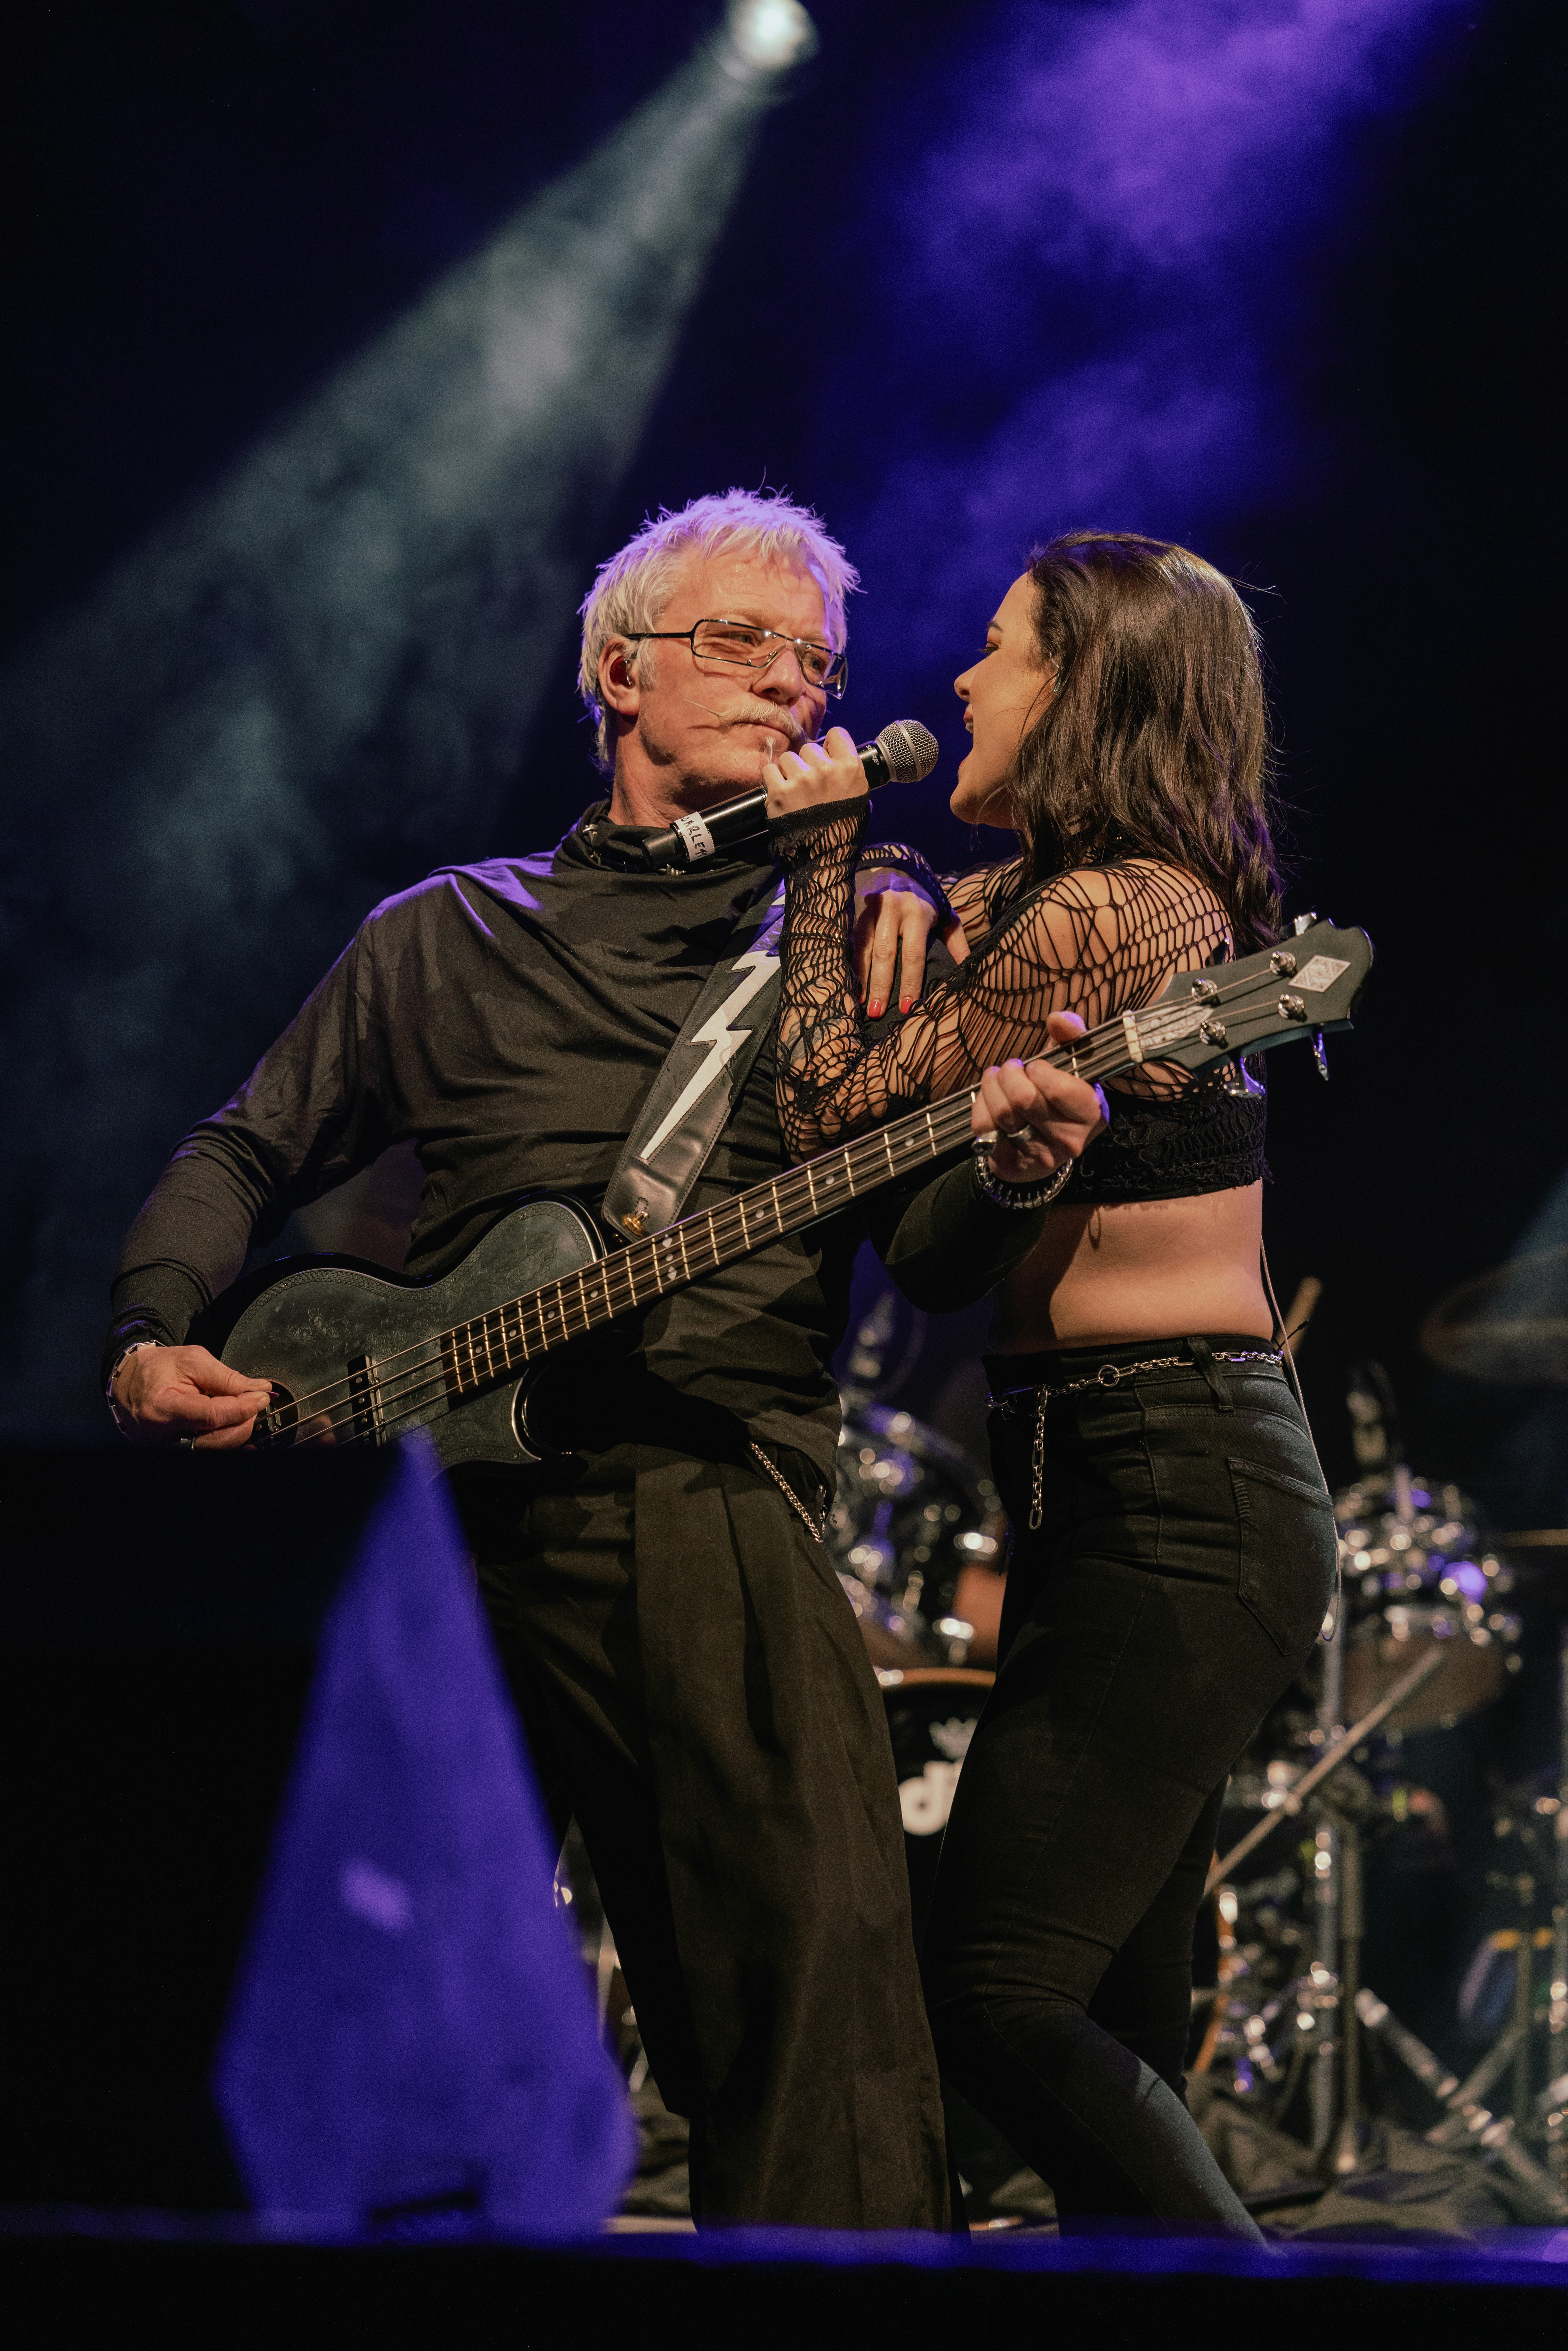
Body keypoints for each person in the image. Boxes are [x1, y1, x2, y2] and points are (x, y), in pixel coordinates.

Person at [101, 490, 1108, 2230]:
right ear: (618, 671)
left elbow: (933, 1258)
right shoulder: (446, 931)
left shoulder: (856, 933)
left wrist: (1011, 1165)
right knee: (372, 2037)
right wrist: (148, 1331)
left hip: (720, 1500)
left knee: (819, 2046)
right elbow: (242, 1151)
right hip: (440, 1534)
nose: (793, 682)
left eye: (819, 660)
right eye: (743, 642)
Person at [762, 529, 1339, 2237]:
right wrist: (901, 894)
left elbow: (831, 1119)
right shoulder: (1029, 901)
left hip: (1182, 1478)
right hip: (1101, 1479)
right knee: (1109, 2024)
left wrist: (826, 867)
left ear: (1087, 690)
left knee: (998, 1995)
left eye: (1001, 649)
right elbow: (932, 1227)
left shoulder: (1124, 904)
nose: (956, 680)